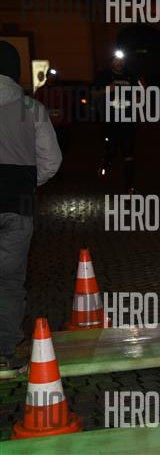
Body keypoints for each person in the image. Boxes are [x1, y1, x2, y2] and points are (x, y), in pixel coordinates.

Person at [0, 41, 62, 378]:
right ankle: (3, 354)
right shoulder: (32, 108)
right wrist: (26, 182)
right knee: (10, 281)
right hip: (19, 203)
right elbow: (51, 161)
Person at [92, 50, 139, 193]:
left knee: (128, 154)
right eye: (116, 60)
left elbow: (138, 95)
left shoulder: (130, 76)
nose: (119, 63)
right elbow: (93, 93)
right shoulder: (103, 75)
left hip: (128, 121)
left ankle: (130, 187)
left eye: (121, 60)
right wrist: (106, 90)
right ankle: (104, 163)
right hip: (110, 121)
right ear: (111, 62)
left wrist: (139, 96)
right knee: (111, 150)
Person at [34, 68, 74, 152]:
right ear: (47, 76)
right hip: (46, 123)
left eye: (53, 76)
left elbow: (68, 105)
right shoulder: (40, 91)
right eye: (49, 75)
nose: (51, 78)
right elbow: (36, 105)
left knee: (62, 143)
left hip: (61, 124)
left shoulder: (63, 90)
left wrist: (68, 120)